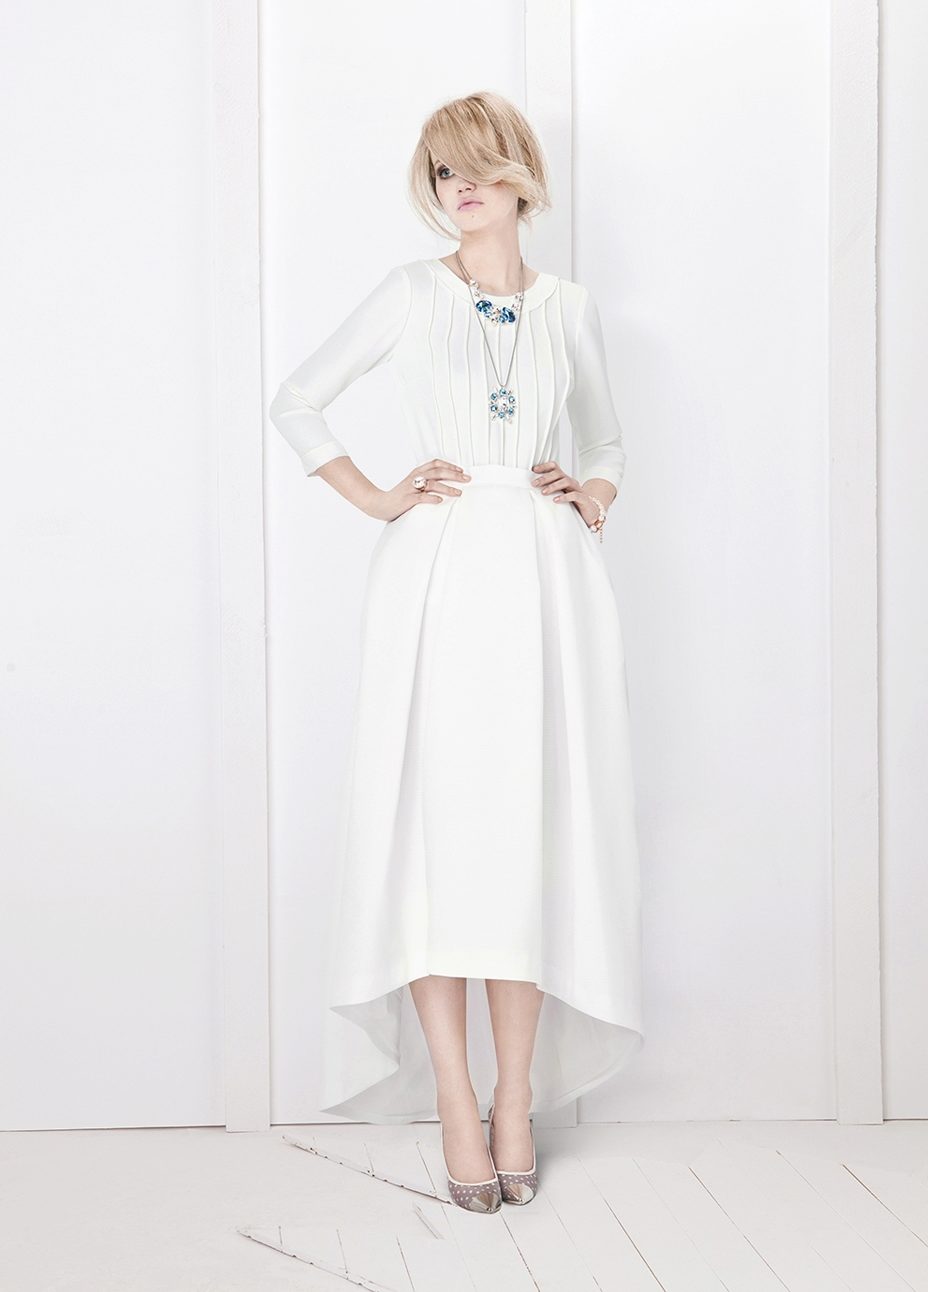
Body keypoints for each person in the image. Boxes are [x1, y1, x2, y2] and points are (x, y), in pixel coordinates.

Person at [269, 90, 643, 1213]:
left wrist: (591, 495)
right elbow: (297, 400)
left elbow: (607, 438)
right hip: (434, 574)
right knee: (435, 836)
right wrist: (380, 496)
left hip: (544, 575)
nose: (460, 187)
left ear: (521, 174)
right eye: (442, 172)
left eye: (477, 165)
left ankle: (515, 1098)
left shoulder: (570, 307)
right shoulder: (409, 292)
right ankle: (451, 1095)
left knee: (524, 831)